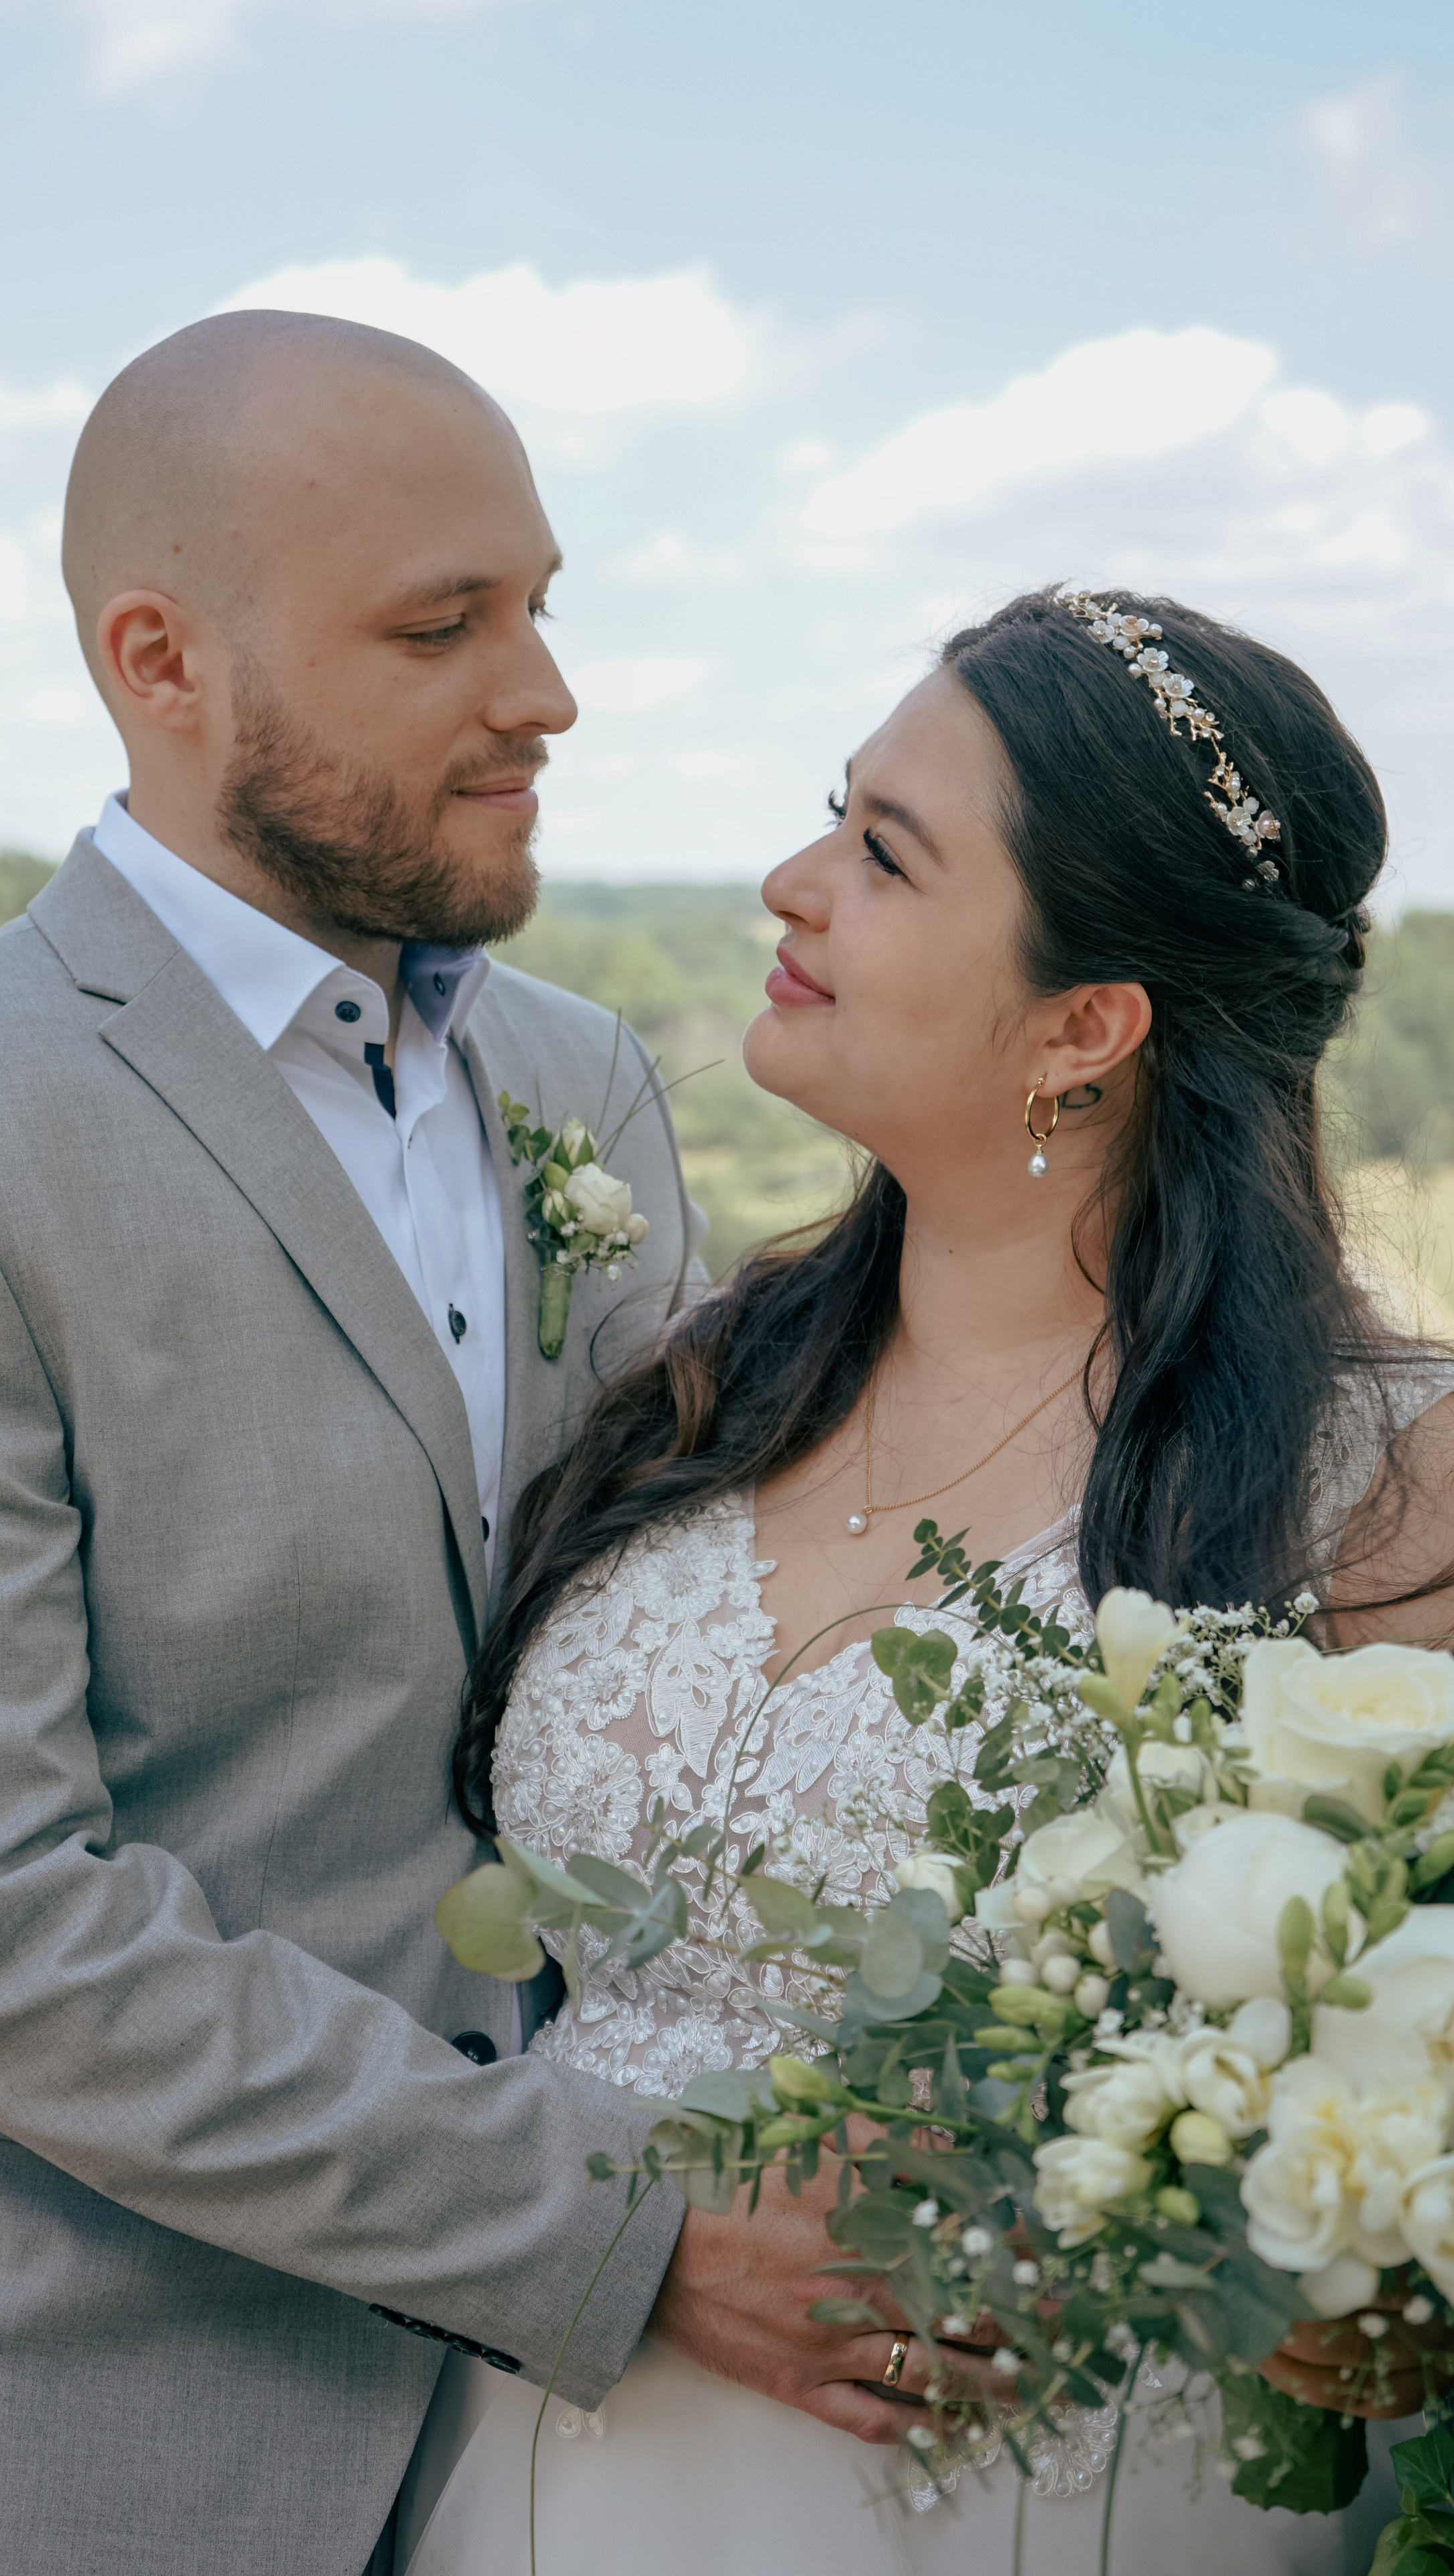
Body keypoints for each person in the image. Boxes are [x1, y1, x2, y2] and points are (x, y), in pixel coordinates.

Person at [0, 313, 933, 2576]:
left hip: (573, 2475)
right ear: (166, 660)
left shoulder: (583, 1085)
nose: (546, 694)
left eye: (541, 602)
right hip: (59, 2434)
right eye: (440, 627)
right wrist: (622, 2230)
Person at [415, 584, 1454, 2573]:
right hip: (548, 2467)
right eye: (836, 813)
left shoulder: (1387, 1488)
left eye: (885, 855)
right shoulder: (698, 1380)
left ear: (1085, 1028)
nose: (794, 884)